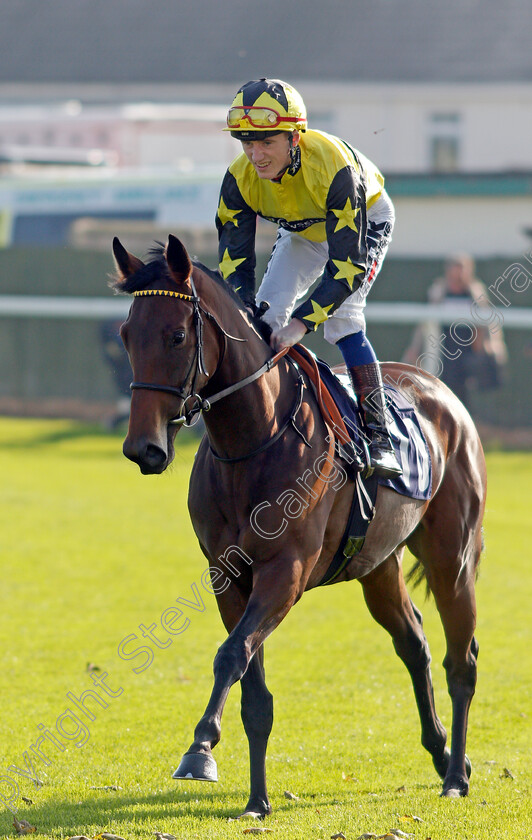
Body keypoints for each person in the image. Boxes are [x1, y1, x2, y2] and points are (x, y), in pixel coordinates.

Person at [215, 78, 401, 478]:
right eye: (246, 142)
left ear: (294, 137)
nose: (255, 155)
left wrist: (301, 323)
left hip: (363, 222)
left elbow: (346, 269)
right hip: (304, 230)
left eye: (267, 142)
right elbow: (234, 268)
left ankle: (379, 435)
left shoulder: (334, 170)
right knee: (262, 319)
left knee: (342, 319)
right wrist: (249, 313)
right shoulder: (238, 179)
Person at [403, 254, 507, 410]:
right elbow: (424, 324)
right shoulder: (437, 292)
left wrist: (493, 345)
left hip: (467, 354)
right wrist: (415, 348)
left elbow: (488, 322)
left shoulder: (476, 293)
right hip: (442, 353)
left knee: (464, 397)